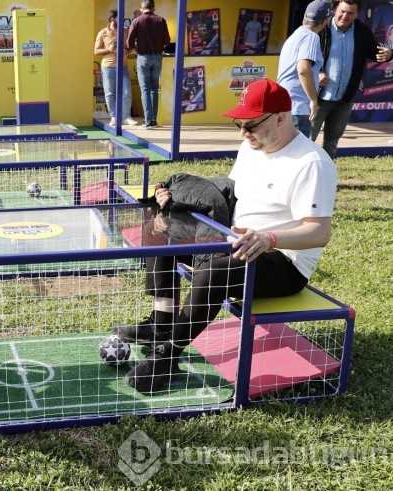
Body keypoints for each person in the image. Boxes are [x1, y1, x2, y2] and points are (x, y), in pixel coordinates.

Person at [111, 79, 337, 393]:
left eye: (250, 126)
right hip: (233, 240)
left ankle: (169, 357)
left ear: (281, 118)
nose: (243, 134)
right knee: (159, 229)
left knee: (214, 272)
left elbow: (319, 232)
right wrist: (176, 201)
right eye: (239, 124)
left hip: (282, 262)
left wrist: (268, 238)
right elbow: (230, 193)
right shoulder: (251, 146)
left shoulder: (312, 163)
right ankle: (162, 324)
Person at [311, 0, 393, 158]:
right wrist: (317, 73)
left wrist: (389, 54)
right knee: (307, 139)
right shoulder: (320, 28)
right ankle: (302, 178)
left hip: (344, 99)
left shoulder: (362, 31)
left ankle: (327, 177)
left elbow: (376, 53)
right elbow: (305, 58)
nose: (345, 16)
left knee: (331, 143)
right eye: (342, 11)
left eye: (350, 13)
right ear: (334, 9)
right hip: (317, 98)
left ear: (357, 14)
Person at [277, 0, 332, 137]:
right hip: (297, 107)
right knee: (298, 154)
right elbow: (303, 69)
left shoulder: (295, 36)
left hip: (284, 104)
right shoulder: (311, 37)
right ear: (326, 21)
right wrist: (313, 100)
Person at [127, 0, 170, 128]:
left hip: (143, 57)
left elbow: (129, 43)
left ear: (142, 8)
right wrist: (159, 48)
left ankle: (148, 121)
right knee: (154, 89)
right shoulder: (161, 20)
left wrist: (136, 49)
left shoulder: (137, 21)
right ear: (154, 8)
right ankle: (153, 120)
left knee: (145, 89)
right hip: (157, 57)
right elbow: (167, 40)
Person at [94, 10, 138, 127]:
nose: (122, 20)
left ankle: (126, 116)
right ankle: (113, 117)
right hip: (108, 67)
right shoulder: (102, 33)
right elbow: (96, 51)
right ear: (113, 19)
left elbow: (129, 46)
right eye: (120, 17)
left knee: (126, 92)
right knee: (110, 93)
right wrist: (109, 49)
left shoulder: (125, 31)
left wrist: (126, 50)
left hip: (123, 66)